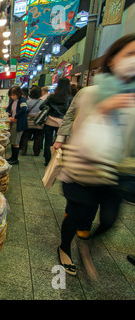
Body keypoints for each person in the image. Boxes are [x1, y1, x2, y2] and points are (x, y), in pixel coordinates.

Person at [55, 34, 135, 276]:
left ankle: (86, 243)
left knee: (109, 220)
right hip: (84, 170)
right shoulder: (90, 94)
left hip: (116, 174)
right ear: (112, 60)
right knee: (78, 214)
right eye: (130, 55)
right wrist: (60, 140)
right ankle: (65, 247)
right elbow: (74, 124)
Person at [39, 77, 72, 166]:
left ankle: (47, 160)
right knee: (60, 142)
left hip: (49, 122)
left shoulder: (51, 97)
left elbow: (41, 106)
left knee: (47, 142)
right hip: (62, 123)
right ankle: (57, 160)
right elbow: (70, 112)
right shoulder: (69, 99)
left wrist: (50, 108)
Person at [19, 86, 45, 156]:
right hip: (39, 123)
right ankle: (36, 152)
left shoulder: (28, 102)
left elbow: (25, 111)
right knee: (38, 138)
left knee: (26, 136)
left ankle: (24, 150)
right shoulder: (43, 102)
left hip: (29, 122)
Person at [5, 86, 28, 165]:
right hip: (13, 122)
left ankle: (15, 159)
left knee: (16, 142)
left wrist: (16, 117)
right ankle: (12, 157)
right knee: (13, 140)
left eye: (13, 94)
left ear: (18, 93)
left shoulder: (22, 100)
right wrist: (9, 116)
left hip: (18, 123)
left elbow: (24, 109)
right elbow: (8, 109)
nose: (12, 96)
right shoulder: (13, 100)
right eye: (11, 95)